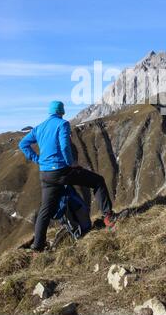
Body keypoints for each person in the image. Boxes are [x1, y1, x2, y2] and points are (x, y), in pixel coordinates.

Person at [19, 100, 116, 252]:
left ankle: (37, 247)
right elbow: (64, 146)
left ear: (50, 112)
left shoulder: (39, 128)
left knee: (45, 210)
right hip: (61, 171)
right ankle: (108, 217)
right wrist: (71, 163)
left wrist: (38, 159)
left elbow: (23, 144)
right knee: (98, 181)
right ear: (61, 112)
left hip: (45, 174)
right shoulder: (62, 124)